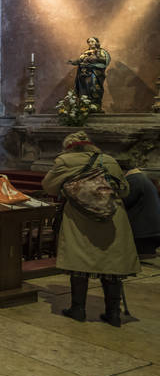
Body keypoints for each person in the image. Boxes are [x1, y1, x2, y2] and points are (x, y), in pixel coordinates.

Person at [42, 131, 140, 326]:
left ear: (69, 146)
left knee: (79, 260)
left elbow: (48, 187)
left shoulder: (64, 161)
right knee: (112, 263)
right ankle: (113, 313)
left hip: (80, 217)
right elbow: (125, 189)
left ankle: (78, 309)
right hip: (112, 216)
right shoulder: (109, 160)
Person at [122, 166, 160, 256]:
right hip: (151, 230)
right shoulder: (142, 178)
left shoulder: (134, 180)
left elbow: (125, 201)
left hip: (143, 232)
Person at [68, 36, 111, 111]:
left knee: (94, 87)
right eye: (89, 42)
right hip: (84, 74)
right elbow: (80, 60)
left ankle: (96, 106)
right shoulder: (86, 52)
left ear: (97, 42)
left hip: (96, 74)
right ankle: (86, 105)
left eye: (92, 41)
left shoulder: (101, 51)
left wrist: (93, 56)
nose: (90, 43)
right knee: (85, 89)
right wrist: (74, 62)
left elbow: (104, 61)